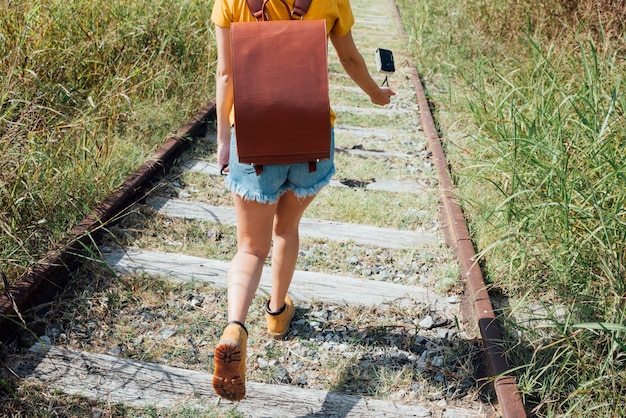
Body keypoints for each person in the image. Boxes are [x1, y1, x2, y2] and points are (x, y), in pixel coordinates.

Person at [210, 0, 396, 402]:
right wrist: (376, 95)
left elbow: (226, 73)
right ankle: (277, 314)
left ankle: (234, 328)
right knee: (286, 229)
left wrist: (225, 140)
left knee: (250, 247)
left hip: (255, 138)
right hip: (310, 138)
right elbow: (349, 56)